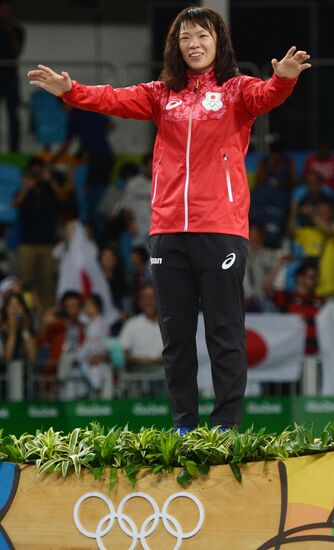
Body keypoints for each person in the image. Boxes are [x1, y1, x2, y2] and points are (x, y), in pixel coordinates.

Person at [27, 6, 311, 433]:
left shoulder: (236, 91)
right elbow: (113, 99)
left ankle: (225, 426)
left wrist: (284, 77)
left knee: (224, 333)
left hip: (220, 230)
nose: (194, 44)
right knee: (176, 339)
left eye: (202, 35)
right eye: (185, 37)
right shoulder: (161, 94)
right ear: (175, 46)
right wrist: (71, 90)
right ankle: (183, 426)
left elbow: (268, 95)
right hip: (166, 233)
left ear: (219, 41)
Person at [0, 0, 25, 151]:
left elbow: (17, 52)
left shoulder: (17, 29)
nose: (4, 12)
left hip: (10, 76)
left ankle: (14, 149)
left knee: (13, 114)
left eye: (6, 9)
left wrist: (9, 31)